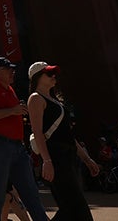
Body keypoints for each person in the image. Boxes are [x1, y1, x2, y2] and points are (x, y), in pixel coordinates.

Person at [27, 61, 99, 221]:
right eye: (49, 73)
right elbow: (37, 133)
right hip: (56, 157)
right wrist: (47, 160)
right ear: (37, 76)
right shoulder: (36, 98)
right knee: (76, 208)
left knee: (71, 207)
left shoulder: (56, 101)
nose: (54, 76)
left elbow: (68, 135)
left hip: (69, 156)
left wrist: (86, 159)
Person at [0, 56, 48, 221]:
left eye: (12, 69)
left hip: (16, 146)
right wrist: (12, 111)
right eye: (8, 69)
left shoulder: (10, 89)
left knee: (30, 191)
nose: (12, 72)